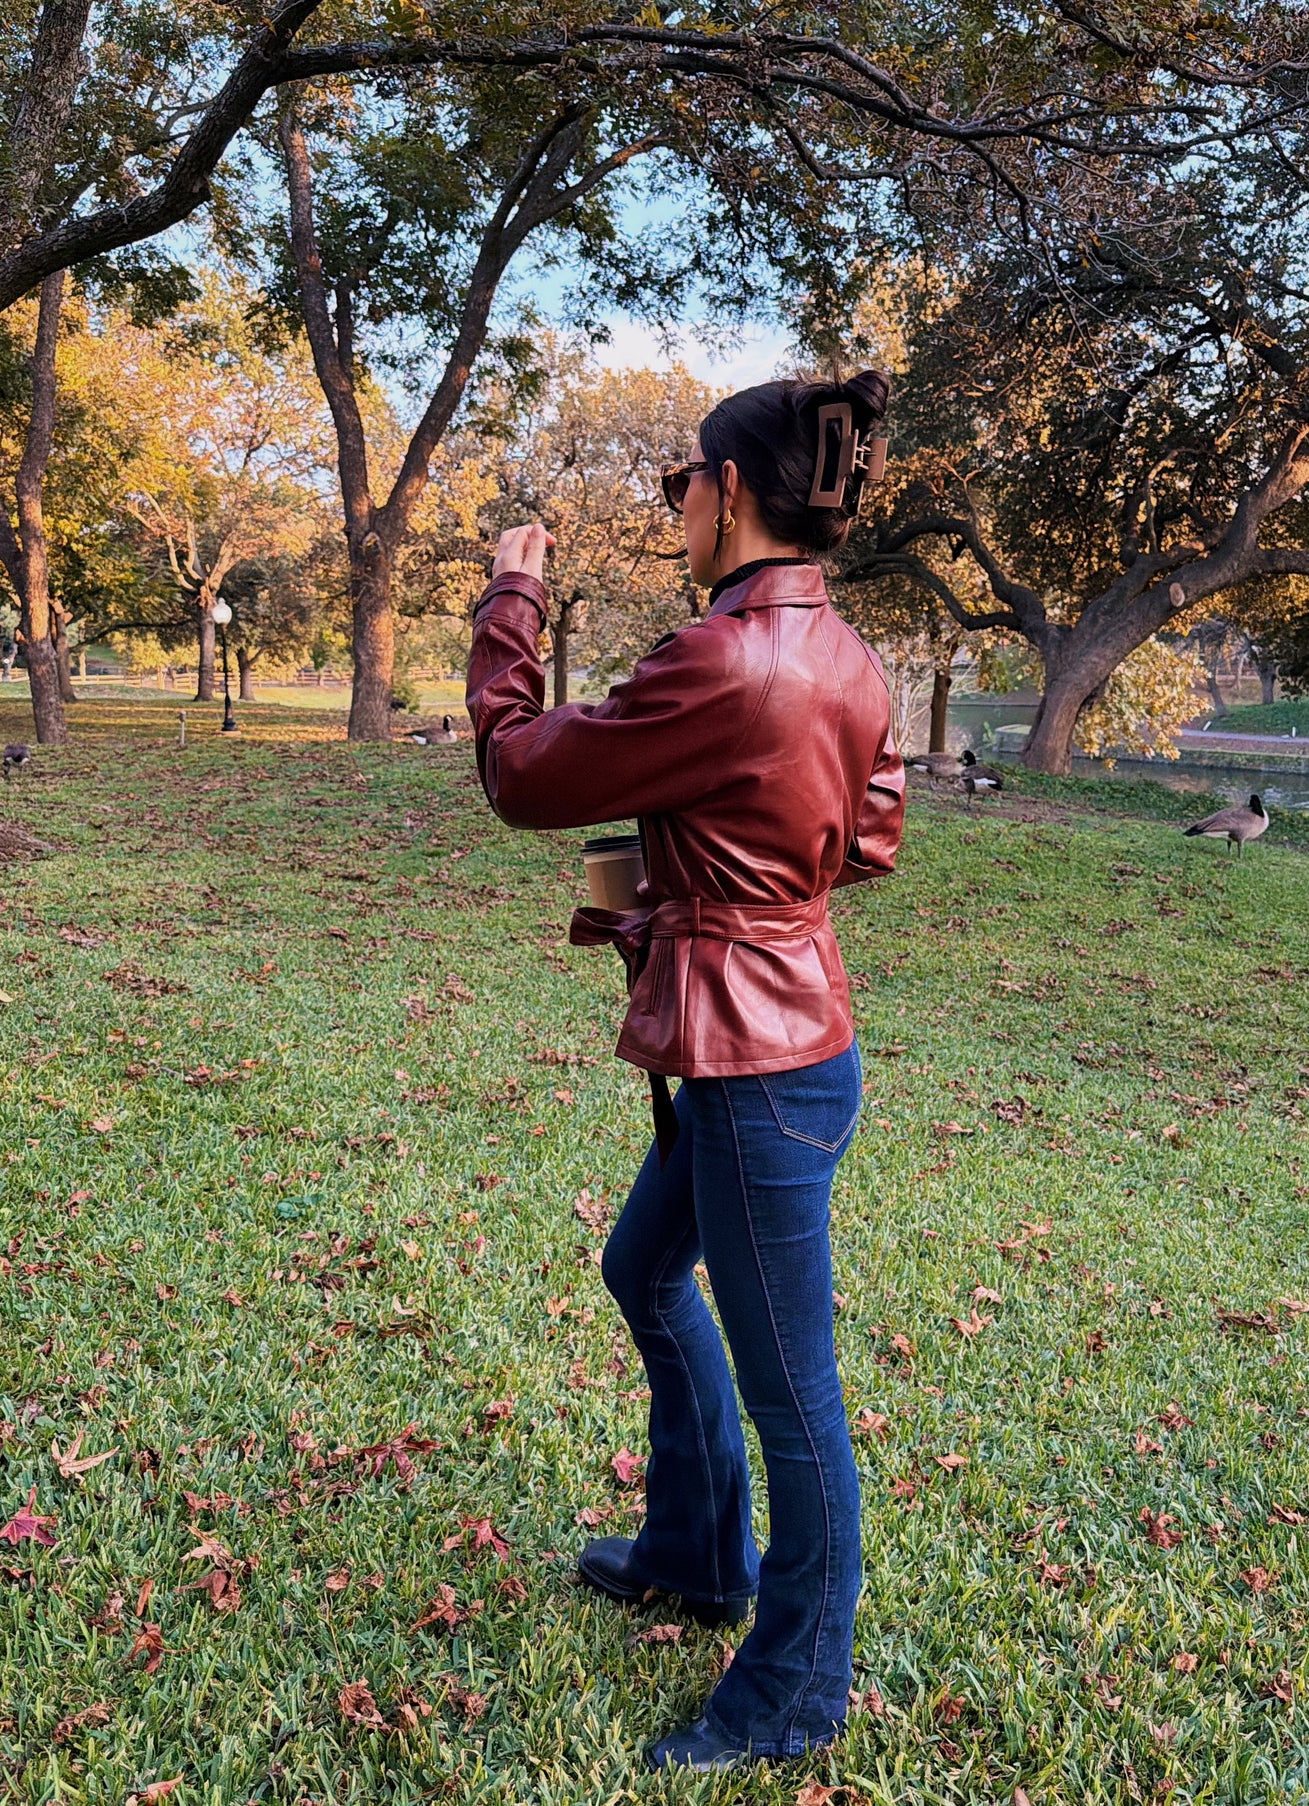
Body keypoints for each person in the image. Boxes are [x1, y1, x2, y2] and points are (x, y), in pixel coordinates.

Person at [465, 371, 905, 1772]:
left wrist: (509, 602)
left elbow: (524, 773)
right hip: (782, 1040)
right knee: (640, 1270)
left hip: (756, 1067)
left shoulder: (720, 655)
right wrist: (703, 880)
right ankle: (694, 1549)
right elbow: (869, 834)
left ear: (726, 489)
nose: (676, 511)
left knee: (796, 1394)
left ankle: (789, 1690)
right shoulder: (845, 654)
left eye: (678, 487)